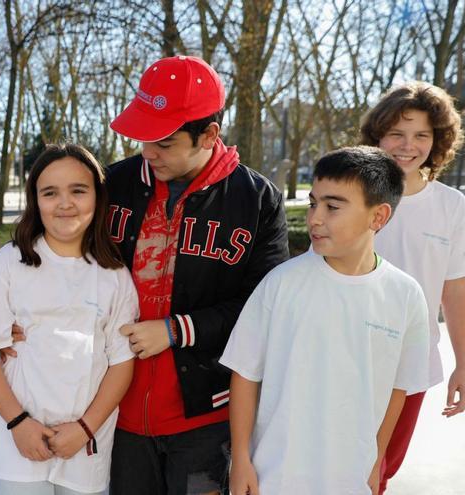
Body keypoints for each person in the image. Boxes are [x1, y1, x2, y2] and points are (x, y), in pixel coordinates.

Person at [105, 55, 289, 495]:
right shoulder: (111, 183)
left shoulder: (257, 200)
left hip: (206, 417)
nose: (148, 152)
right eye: (143, 136)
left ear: (209, 134)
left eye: (164, 142)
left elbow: (262, 308)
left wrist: (176, 330)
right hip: (115, 407)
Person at [221, 146, 431, 494]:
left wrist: (377, 458)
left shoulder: (405, 295)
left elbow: (399, 387)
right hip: (275, 476)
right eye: (313, 202)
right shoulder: (281, 283)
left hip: (350, 479)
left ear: (378, 217)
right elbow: (245, 372)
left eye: (332, 207)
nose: (315, 217)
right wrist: (241, 457)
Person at [0, 144, 138, 495]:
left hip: (85, 441)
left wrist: (85, 428)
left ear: (98, 197)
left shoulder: (114, 275)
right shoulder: (10, 264)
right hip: (20, 439)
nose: (64, 203)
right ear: (35, 200)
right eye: (50, 193)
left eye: (78, 190)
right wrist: (18, 422)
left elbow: (121, 362)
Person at [360, 81, 465, 492]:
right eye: (396, 133)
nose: (407, 145)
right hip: (349, 357)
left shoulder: (450, 205)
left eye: (421, 135)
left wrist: (464, 365)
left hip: (411, 363)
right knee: (347, 467)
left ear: (438, 141)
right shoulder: (352, 195)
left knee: (381, 473)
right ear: (377, 135)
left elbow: (455, 290)